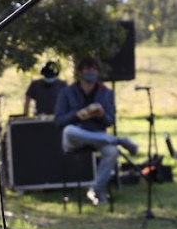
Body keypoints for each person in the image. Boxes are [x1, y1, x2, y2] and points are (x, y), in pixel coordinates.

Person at [54, 56, 138, 206]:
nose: (91, 72)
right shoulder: (67, 92)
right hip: (75, 137)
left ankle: (96, 191)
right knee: (69, 131)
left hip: (98, 136)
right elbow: (59, 121)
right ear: (80, 72)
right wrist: (76, 115)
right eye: (88, 69)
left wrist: (101, 115)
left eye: (94, 70)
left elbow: (110, 120)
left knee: (112, 152)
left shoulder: (106, 92)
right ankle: (119, 140)